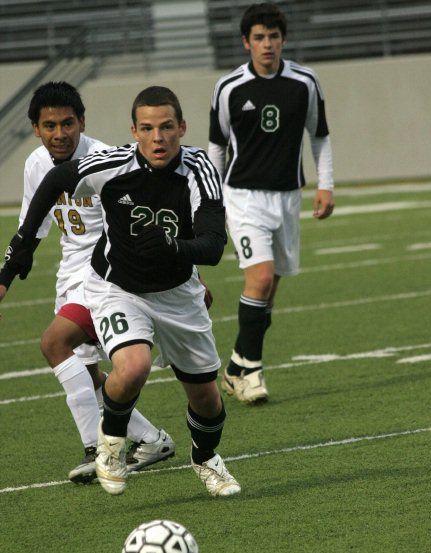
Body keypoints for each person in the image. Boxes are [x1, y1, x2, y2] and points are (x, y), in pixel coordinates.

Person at [3, 85, 241, 498]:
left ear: (182, 127)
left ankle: (205, 458)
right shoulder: (111, 164)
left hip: (179, 294)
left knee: (206, 399)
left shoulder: (200, 169)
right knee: (130, 367)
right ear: (134, 131)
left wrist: (173, 247)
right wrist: (20, 250)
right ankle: (108, 447)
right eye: (147, 128)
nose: (158, 137)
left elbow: (214, 244)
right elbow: (55, 180)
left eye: (167, 127)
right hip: (117, 288)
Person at [0, 81, 175, 484]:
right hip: (70, 272)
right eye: (49, 126)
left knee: (54, 343)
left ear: (82, 123)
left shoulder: (105, 160)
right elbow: (31, 229)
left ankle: (97, 449)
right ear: (35, 128)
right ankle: (151, 439)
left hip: (108, 274)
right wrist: (5, 278)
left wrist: (190, 276)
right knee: (85, 370)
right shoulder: (35, 165)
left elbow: (148, 219)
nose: (59, 134)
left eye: (67, 124)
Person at [208, 2, 335, 403]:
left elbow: (320, 134)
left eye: (274, 37)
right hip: (243, 197)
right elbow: (216, 148)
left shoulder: (305, 82)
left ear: (283, 40)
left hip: (287, 198)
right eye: (259, 38)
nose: (267, 45)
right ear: (246, 42)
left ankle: (235, 368)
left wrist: (325, 184)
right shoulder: (229, 88)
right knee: (259, 280)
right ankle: (253, 374)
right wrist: (215, 202)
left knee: (269, 290)